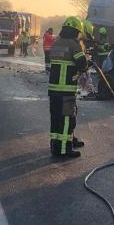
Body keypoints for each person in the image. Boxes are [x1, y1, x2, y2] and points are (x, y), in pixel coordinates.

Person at [47, 17, 89, 158]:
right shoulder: (74, 44)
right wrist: (88, 62)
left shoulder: (56, 42)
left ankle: (57, 145)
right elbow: (82, 64)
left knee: (56, 119)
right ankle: (64, 149)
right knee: (66, 119)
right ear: (76, 31)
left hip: (54, 89)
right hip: (66, 89)